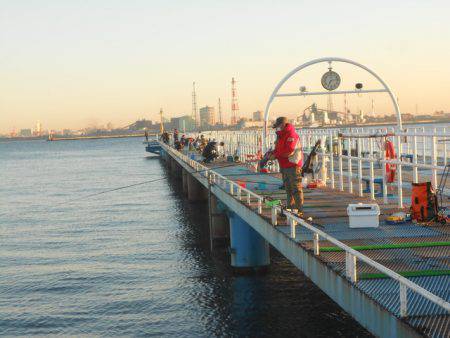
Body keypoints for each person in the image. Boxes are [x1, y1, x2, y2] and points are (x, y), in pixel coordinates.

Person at [270, 117, 304, 215]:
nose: (277, 129)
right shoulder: (280, 136)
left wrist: (275, 156)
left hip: (293, 165)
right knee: (288, 189)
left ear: (283, 125)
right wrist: (271, 154)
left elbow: (289, 151)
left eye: (278, 126)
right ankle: (290, 209)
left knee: (296, 189)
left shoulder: (291, 135)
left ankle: (299, 210)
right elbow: (279, 149)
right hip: (284, 165)